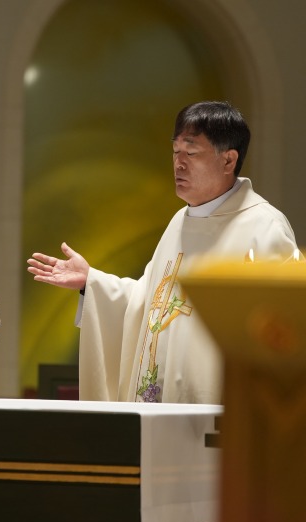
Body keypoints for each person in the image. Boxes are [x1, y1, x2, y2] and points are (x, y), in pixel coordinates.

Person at [27, 101, 297, 404]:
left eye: (191, 152)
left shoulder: (263, 227)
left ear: (228, 160)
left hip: (224, 410)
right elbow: (148, 303)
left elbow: (283, 332)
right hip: (161, 406)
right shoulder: (179, 222)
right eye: (175, 151)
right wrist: (91, 282)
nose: (179, 163)